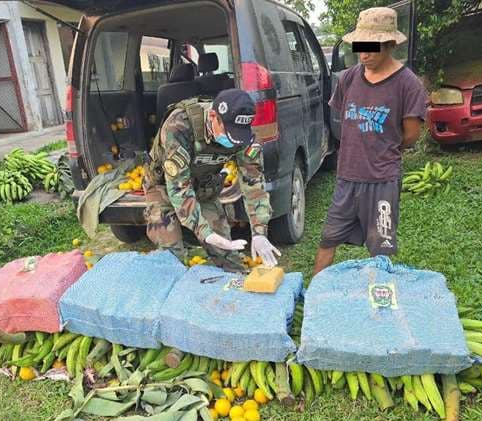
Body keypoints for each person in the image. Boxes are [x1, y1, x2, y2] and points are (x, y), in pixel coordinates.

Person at [313, 7, 428, 274]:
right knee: (328, 238)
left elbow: (410, 136)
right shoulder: (349, 78)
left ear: (389, 45)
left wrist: (379, 150)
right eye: (359, 47)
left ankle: (380, 305)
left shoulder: (408, 85)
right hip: (347, 177)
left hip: (382, 180)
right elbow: (343, 120)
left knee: (380, 247)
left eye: (371, 47)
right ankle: (314, 298)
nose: (363, 54)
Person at [144, 88, 280, 270]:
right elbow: (179, 189)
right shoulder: (179, 126)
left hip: (202, 185)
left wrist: (259, 231)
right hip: (163, 187)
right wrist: (203, 231)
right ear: (214, 116)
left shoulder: (242, 135)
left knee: (226, 253)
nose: (233, 142)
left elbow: (254, 184)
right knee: (170, 255)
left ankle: (234, 290)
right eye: (228, 133)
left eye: (238, 135)